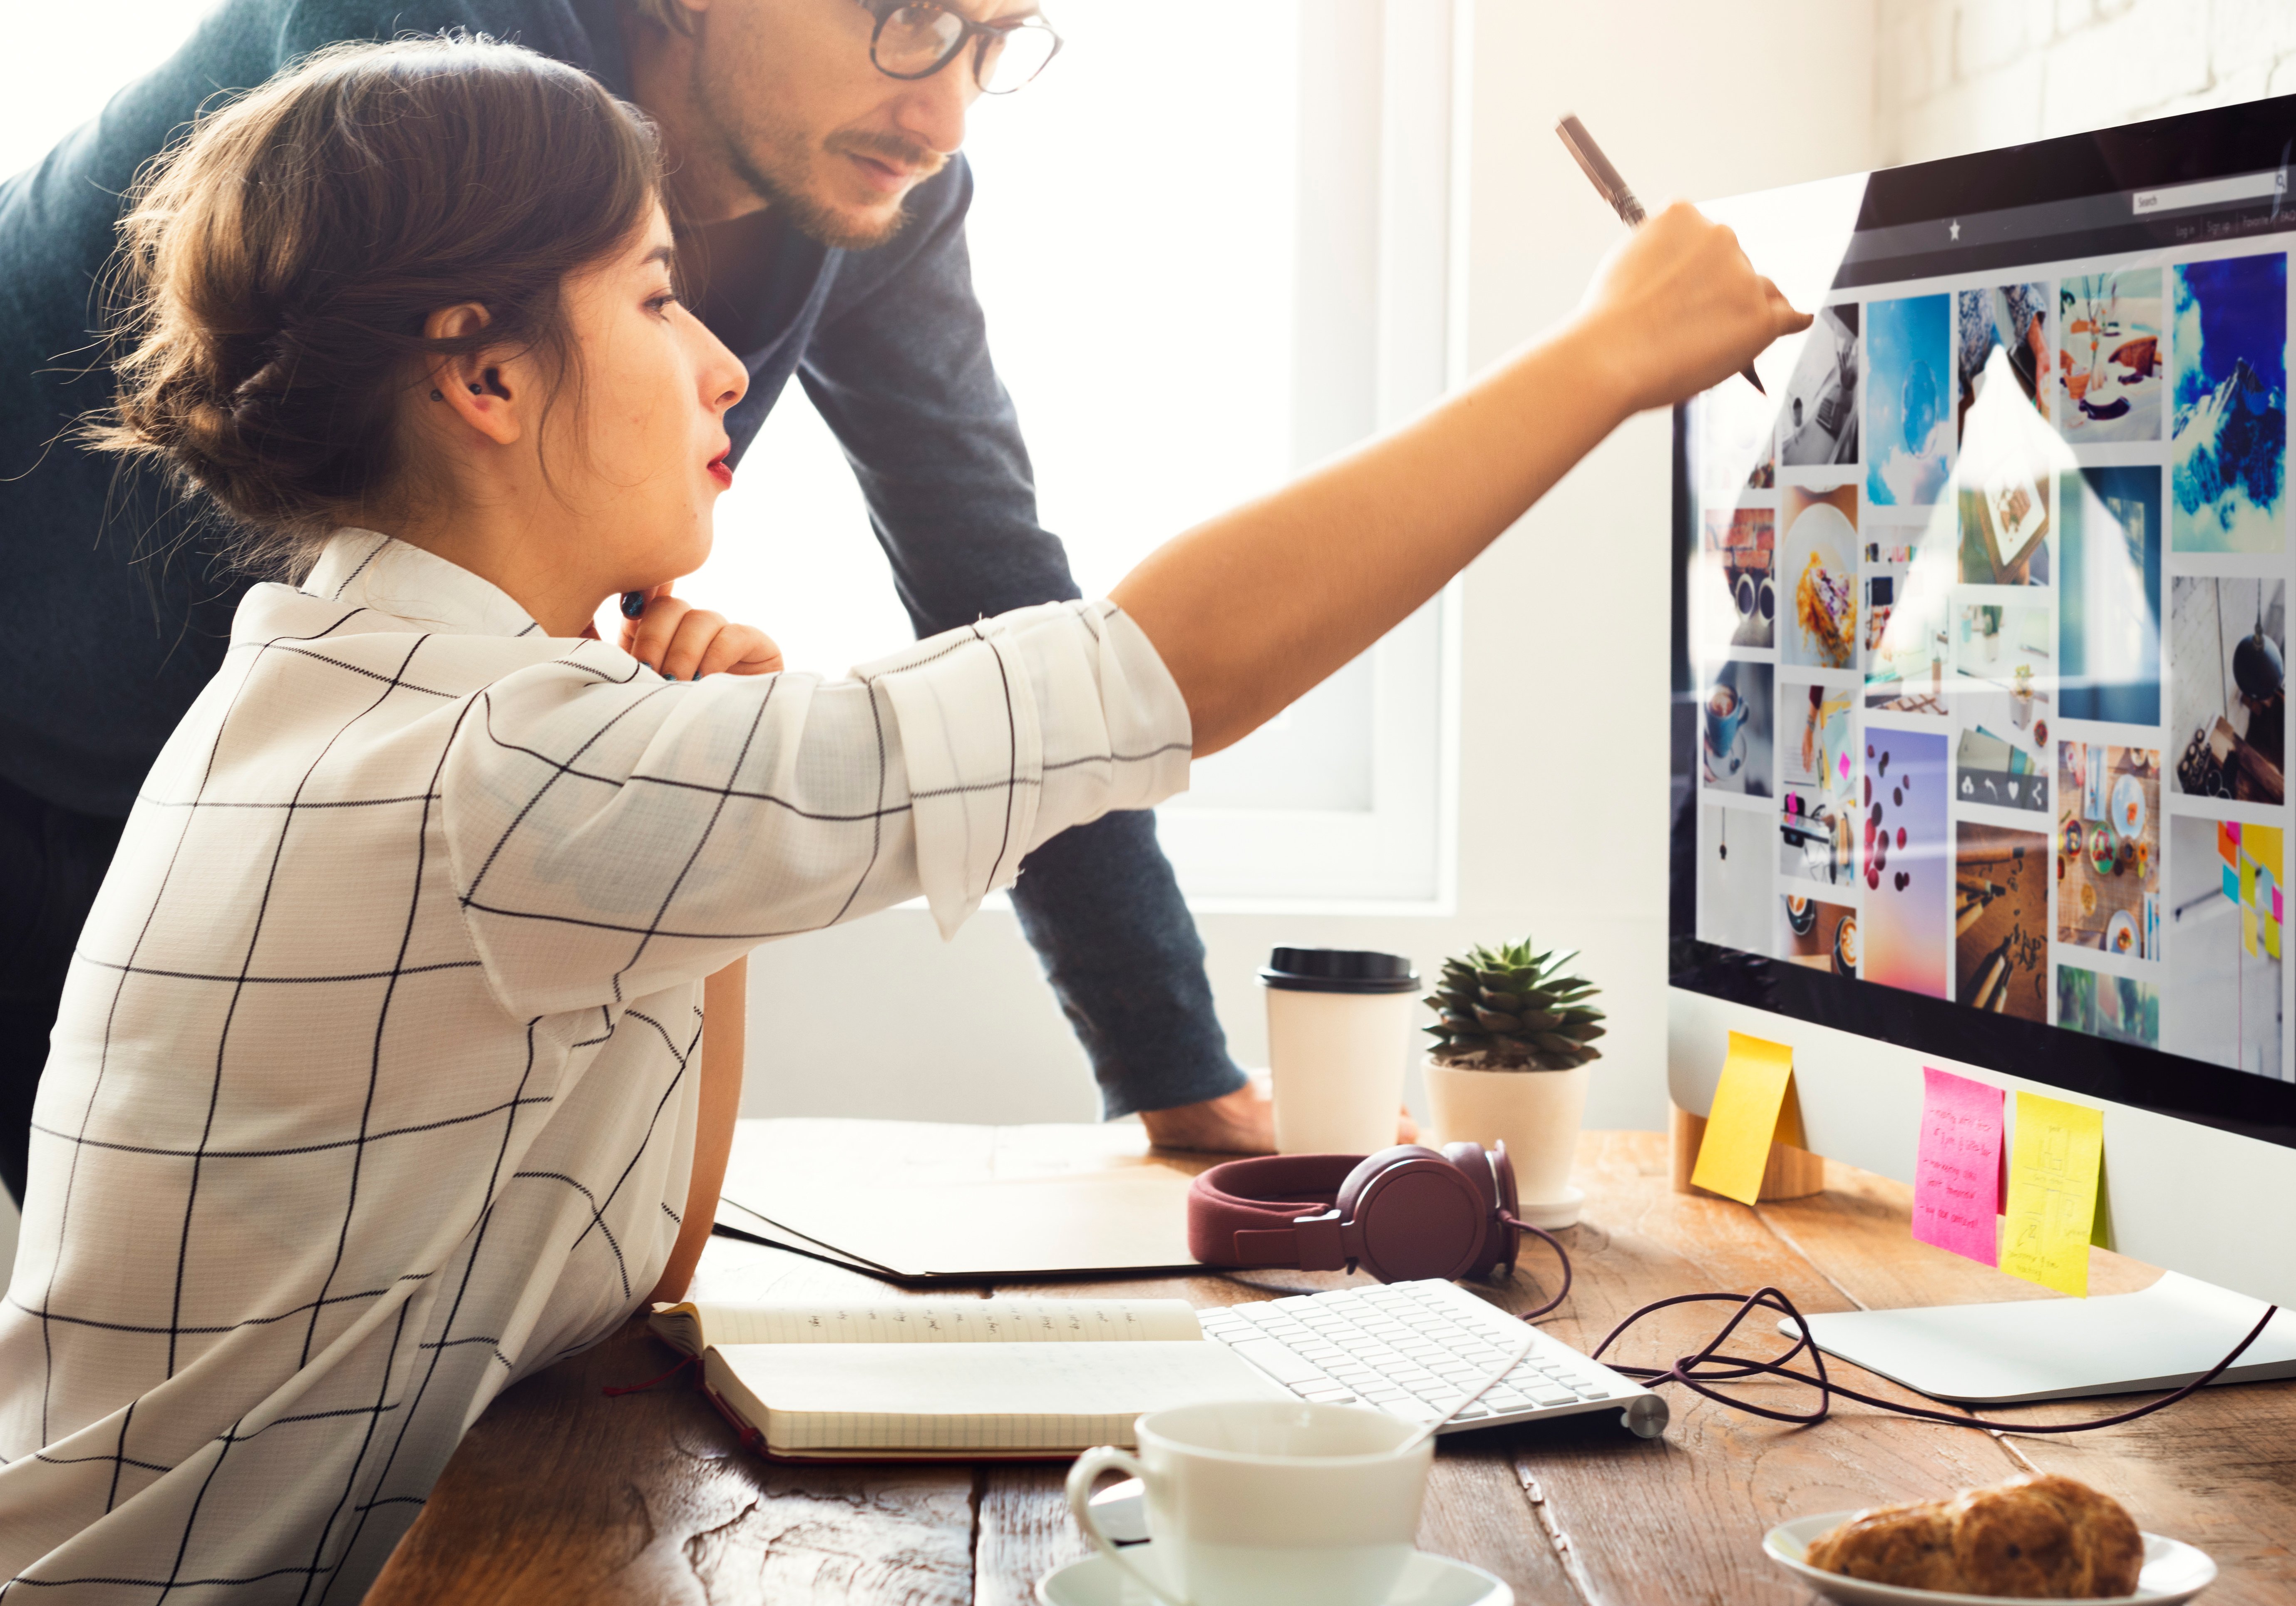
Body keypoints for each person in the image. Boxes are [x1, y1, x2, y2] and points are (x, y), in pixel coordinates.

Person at [0, 36, 1797, 1598]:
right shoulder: (488, 765)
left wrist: (693, 779)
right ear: (483, 377)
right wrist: (1600, 362)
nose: (721, 365)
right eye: (650, 295)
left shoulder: (373, 683)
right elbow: (1156, 672)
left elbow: (645, 1258)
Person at [0, 0, 1281, 1212]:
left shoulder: (871, 179)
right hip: (81, 711)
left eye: (991, 38)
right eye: (907, 18)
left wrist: (1177, 1072)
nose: (944, 117)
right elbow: (401, 559)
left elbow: (989, 567)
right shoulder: (446, 89)